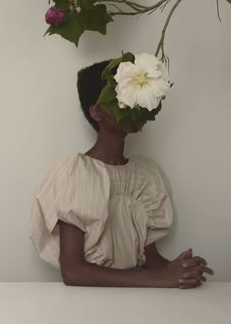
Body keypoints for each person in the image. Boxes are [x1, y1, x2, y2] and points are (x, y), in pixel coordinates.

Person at [28, 60, 214, 289]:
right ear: (96, 112)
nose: (130, 104)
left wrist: (179, 270)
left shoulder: (145, 173)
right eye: (119, 98)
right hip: (87, 305)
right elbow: (73, 271)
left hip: (136, 300)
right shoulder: (77, 173)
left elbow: (149, 259)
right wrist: (158, 278)